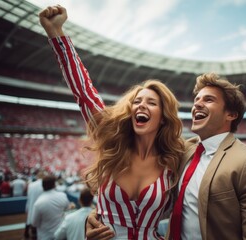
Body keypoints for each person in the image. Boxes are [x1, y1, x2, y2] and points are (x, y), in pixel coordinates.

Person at [39, 5, 184, 239]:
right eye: (137, 101)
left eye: (151, 103)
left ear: (164, 116)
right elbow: (83, 91)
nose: (141, 106)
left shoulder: (175, 161)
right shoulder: (112, 142)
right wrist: (57, 33)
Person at [86, 73, 246, 239]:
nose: (197, 104)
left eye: (208, 99)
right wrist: (99, 214)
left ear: (231, 114)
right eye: (196, 100)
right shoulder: (181, 152)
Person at [31, 175, 76, 240]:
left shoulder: (38, 203)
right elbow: (67, 208)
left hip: (45, 236)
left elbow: (34, 223)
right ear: (54, 185)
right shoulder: (62, 195)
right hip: (60, 235)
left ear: (43, 186)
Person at [25, 171, 45, 239]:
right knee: (39, 224)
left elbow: (28, 196)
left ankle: (27, 234)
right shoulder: (44, 184)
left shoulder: (31, 184)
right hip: (40, 205)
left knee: (30, 220)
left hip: (32, 204)